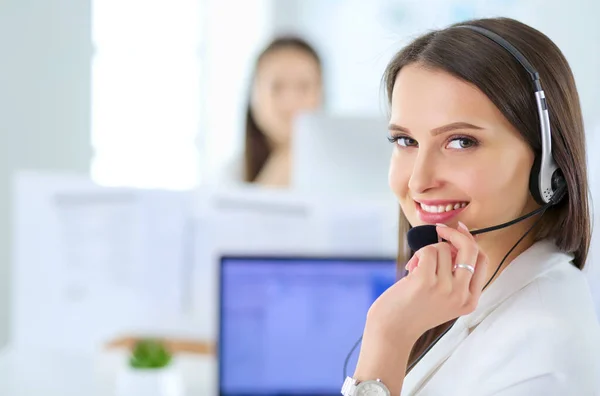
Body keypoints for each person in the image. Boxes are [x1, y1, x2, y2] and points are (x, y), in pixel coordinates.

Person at [343, 17, 600, 396]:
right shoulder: (462, 299)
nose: (418, 181)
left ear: (549, 166)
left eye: (461, 142)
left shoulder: (542, 354)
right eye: (405, 140)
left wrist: (386, 342)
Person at [221, 35, 324, 186]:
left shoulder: (344, 171)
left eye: (304, 87)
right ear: (254, 96)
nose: (290, 102)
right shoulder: (228, 177)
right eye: (277, 87)